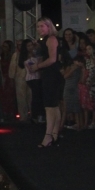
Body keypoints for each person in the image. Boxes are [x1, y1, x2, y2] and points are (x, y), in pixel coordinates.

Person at [27, 18, 64, 146]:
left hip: (52, 75)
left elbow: (52, 59)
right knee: (53, 106)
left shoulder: (51, 39)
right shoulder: (46, 40)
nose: (39, 29)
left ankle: (48, 136)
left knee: (49, 107)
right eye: (38, 26)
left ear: (49, 26)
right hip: (50, 75)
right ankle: (54, 134)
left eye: (42, 26)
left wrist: (37, 66)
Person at [9, 39, 32, 122]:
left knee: (30, 97)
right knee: (21, 98)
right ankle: (23, 116)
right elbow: (12, 68)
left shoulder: (31, 54)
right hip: (20, 79)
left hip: (29, 78)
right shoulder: (16, 55)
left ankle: (30, 115)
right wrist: (12, 78)